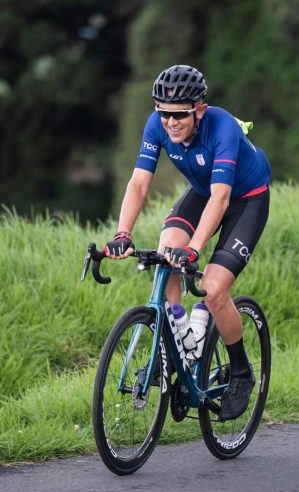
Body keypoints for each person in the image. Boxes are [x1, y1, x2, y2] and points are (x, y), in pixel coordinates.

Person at [104, 64, 271, 420]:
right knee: (167, 256)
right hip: (200, 193)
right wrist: (123, 234)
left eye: (180, 114)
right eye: (164, 114)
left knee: (212, 288)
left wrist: (194, 249)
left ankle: (241, 372)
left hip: (246, 200)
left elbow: (222, 198)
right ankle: (180, 346)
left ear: (199, 109)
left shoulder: (221, 126)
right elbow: (138, 184)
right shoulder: (158, 124)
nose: (171, 122)